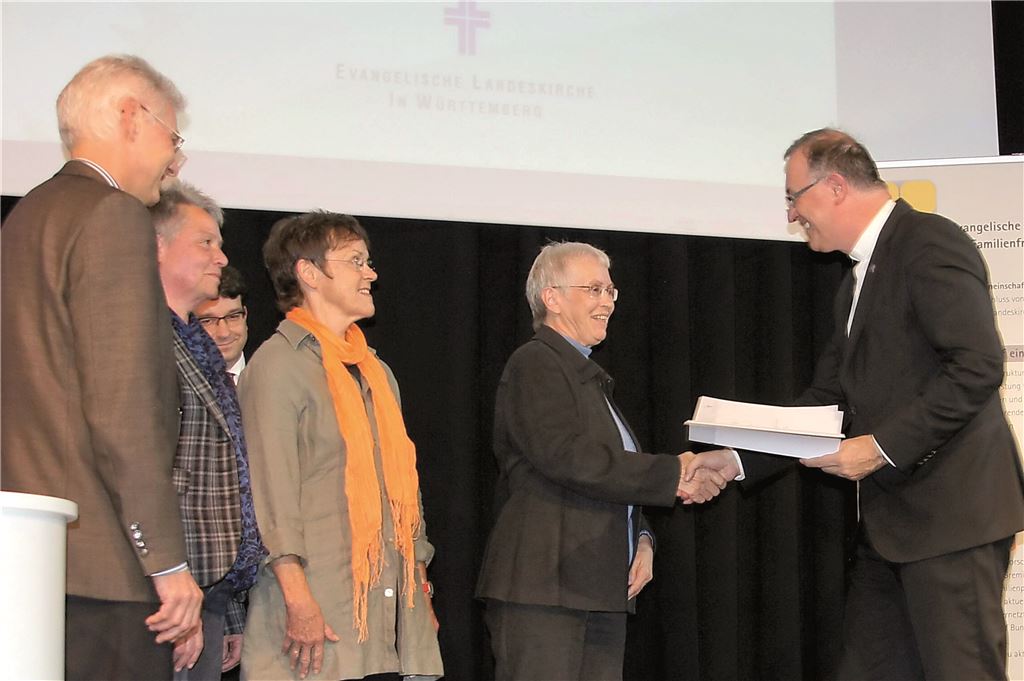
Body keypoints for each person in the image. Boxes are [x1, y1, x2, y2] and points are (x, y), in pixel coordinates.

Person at [687, 128, 1024, 680]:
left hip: (952, 520)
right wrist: (736, 458)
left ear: (836, 186)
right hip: (891, 530)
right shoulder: (855, 282)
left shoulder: (928, 242)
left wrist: (883, 448)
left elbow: (977, 366)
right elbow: (830, 400)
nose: (793, 214)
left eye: (795, 197)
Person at [0, 55, 203, 679]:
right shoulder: (112, 215)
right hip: (104, 569)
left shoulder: (28, 215)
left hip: (33, 561)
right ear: (128, 116)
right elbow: (123, 409)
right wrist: (168, 564)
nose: (177, 162)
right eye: (174, 137)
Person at [475, 242, 729, 681]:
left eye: (611, 291)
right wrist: (675, 473)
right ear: (551, 298)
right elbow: (566, 457)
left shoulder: (588, 378)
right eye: (593, 289)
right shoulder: (535, 362)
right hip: (546, 590)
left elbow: (612, 472)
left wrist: (643, 538)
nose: (607, 302)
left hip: (597, 588)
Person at [238, 211, 443, 680]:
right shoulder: (277, 367)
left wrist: (421, 593)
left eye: (368, 262)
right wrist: (298, 600)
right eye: (355, 261)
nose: (370, 273)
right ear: (309, 273)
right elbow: (271, 499)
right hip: (316, 623)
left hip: (387, 624)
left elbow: (403, 502)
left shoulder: (376, 371)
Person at [151, 181, 267, 679]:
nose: (220, 257)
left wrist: (227, 607)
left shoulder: (197, 351)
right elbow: (148, 475)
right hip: (167, 599)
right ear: (157, 246)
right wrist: (174, 585)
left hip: (210, 594)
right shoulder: (144, 337)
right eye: (206, 243)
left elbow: (227, 488)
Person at [196, 265, 250, 383]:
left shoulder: (274, 372)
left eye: (233, 317)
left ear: (245, 316)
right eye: (208, 321)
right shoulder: (176, 385)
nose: (224, 333)